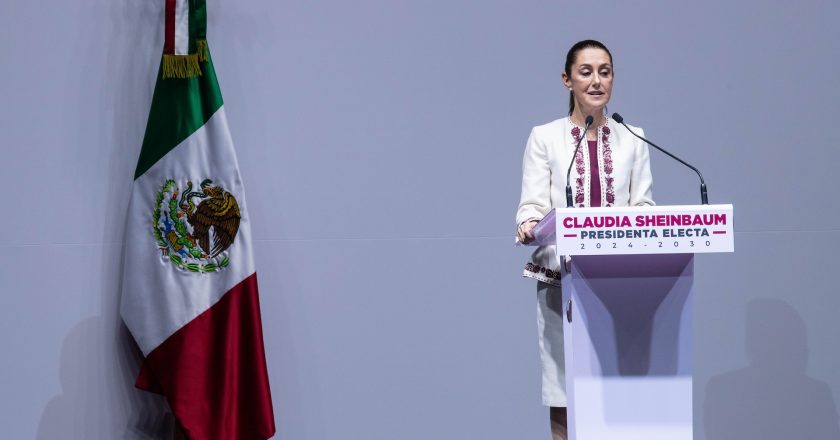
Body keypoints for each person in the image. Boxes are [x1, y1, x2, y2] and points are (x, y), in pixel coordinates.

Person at [515, 39, 654, 440]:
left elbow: (643, 206)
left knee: (620, 390)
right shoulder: (545, 137)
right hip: (562, 281)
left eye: (605, 71)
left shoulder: (634, 136)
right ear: (567, 80)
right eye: (586, 71)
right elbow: (531, 207)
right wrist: (528, 225)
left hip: (621, 282)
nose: (597, 81)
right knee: (564, 392)